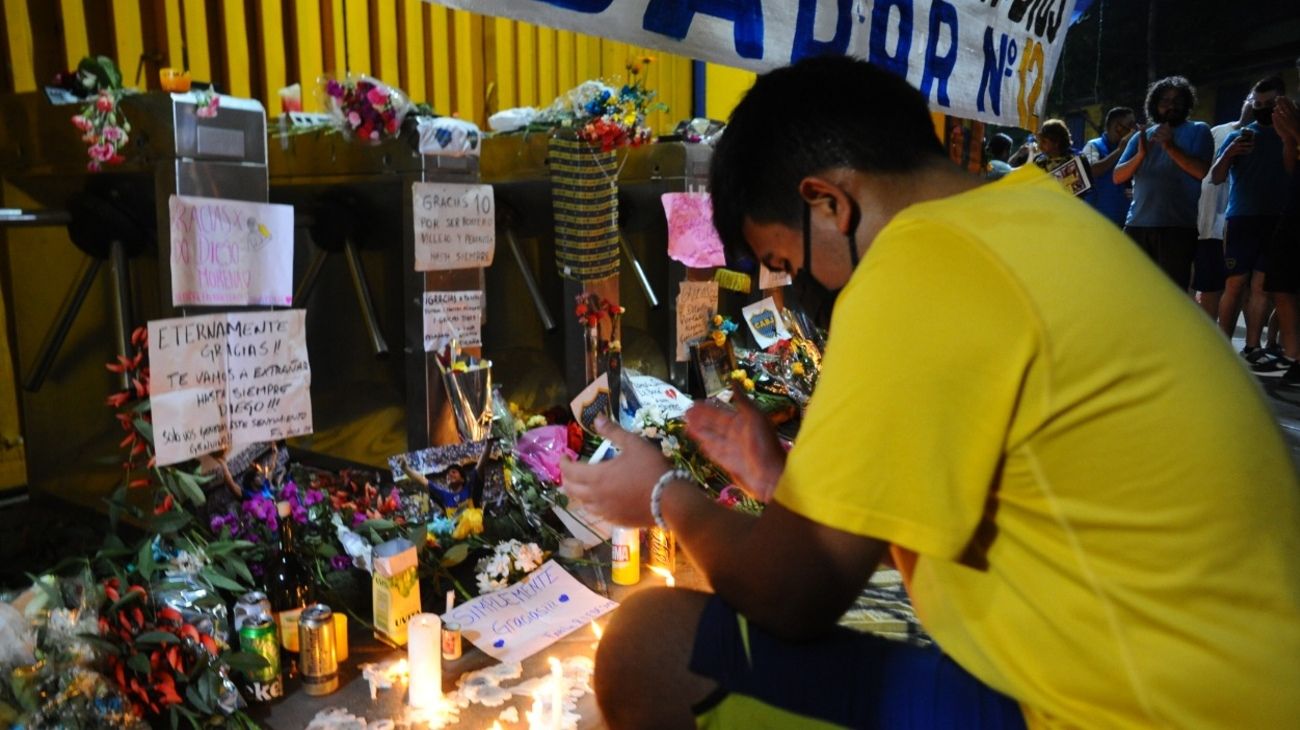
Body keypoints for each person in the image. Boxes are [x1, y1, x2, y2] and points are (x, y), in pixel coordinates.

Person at [560, 56, 1300, 729]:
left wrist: (662, 496)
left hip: (1138, 711)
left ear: (827, 203)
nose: (804, 288)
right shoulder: (1028, 221)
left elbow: (790, 596)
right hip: (1228, 682)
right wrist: (784, 483)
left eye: (785, 260)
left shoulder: (921, 266)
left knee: (648, 644)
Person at [1210, 76, 1292, 372]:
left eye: (1269, 104)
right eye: (1257, 104)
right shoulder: (1241, 135)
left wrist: (1287, 137)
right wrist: (1230, 153)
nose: (1263, 109)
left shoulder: (1291, 135)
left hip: (1277, 219)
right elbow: (1216, 178)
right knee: (1234, 283)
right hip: (1242, 218)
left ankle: (1253, 347)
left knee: (1262, 286)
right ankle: (1222, 346)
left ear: (1282, 102)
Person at [1113, 76, 1215, 290]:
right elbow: (1118, 177)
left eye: (1177, 99)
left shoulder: (1199, 130)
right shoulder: (1141, 136)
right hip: (1136, 226)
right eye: (1165, 100)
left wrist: (1169, 146)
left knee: (1171, 295)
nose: (1171, 105)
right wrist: (1140, 155)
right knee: (1132, 291)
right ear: (1154, 105)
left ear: (1187, 103)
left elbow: (1200, 171)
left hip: (1176, 228)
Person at [1193, 97, 1254, 320]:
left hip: (1235, 223)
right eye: (1251, 99)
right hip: (1205, 221)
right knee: (1205, 285)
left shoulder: (1269, 138)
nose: (1254, 105)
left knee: (1237, 286)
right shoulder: (1217, 132)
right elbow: (1210, 175)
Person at [1083, 106, 1138, 227]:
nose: (1134, 130)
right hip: (1097, 222)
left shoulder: (1132, 149)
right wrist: (1119, 150)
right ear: (1118, 127)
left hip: (1125, 222)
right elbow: (1090, 170)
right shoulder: (1093, 146)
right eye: (1130, 125)